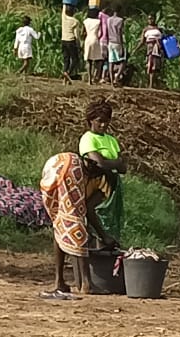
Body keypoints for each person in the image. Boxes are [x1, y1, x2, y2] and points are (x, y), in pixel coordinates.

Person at [39, 150, 117, 298]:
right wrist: (104, 236)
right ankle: (86, 283)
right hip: (67, 168)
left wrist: (101, 235)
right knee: (75, 222)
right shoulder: (105, 181)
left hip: (57, 165)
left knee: (61, 223)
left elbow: (85, 208)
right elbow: (87, 210)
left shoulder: (95, 175)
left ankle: (59, 281)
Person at [78, 98, 126, 244]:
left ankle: (107, 242)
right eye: (99, 121)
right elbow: (99, 164)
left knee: (110, 217)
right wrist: (115, 163)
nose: (103, 124)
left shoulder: (111, 140)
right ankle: (102, 238)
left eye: (107, 121)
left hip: (110, 186)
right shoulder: (88, 139)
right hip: (95, 183)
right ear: (91, 120)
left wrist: (110, 163)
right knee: (92, 209)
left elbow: (123, 168)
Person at [102, 6, 127, 85]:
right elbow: (119, 33)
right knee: (123, 61)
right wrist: (122, 45)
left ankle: (112, 80)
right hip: (117, 42)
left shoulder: (109, 20)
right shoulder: (120, 20)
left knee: (111, 62)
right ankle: (116, 78)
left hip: (110, 42)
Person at [140, 16, 165, 89]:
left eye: (152, 18)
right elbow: (142, 41)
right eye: (149, 19)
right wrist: (136, 49)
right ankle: (152, 84)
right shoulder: (145, 30)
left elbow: (164, 39)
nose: (151, 20)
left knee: (155, 67)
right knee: (149, 66)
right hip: (149, 48)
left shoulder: (159, 29)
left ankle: (152, 85)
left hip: (157, 48)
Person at [83, 6, 106, 85]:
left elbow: (83, 32)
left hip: (88, 39)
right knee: (98, 60)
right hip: (95, 40)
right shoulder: (98, 22)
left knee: (88, 60)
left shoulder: (86, 21)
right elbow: (101, 33)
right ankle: (96, 76)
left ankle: (89, 79)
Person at [60, 3, 82, 83]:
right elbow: (76, 35)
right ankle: (68, 73)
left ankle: (64, 78)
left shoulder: (64, 18)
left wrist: (65, 3)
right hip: (71, 41)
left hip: (63, 41)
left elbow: (63, 10)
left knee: (66, 59)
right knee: (75, 59)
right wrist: (79, 45)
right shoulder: (75, 21)